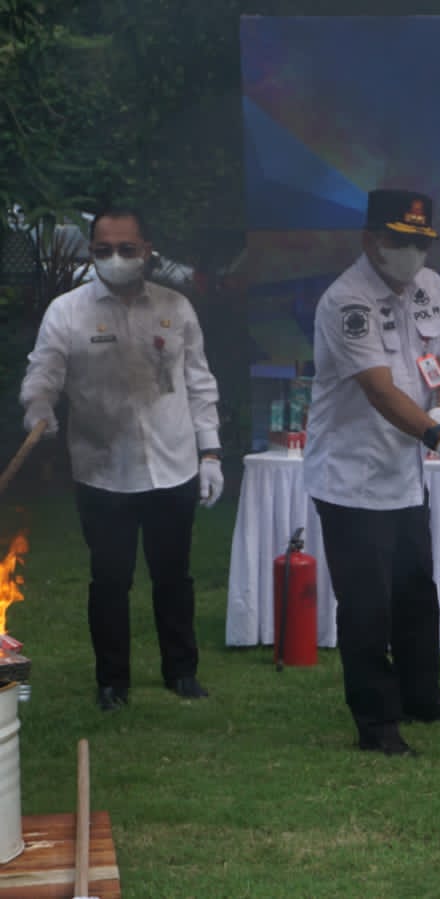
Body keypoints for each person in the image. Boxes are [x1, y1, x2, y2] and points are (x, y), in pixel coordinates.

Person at [20, 207, 225, 712]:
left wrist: (211, 452)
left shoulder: (176, 308)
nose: (115, 259)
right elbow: (43, 372)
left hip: (172, 464)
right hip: (102, 469)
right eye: (103, 250)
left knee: (173, 576)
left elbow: (199, 383)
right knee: (110, 580)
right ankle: (112, 681)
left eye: (126, 249)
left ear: (147, 250)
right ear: (91, 253)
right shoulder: (68, 311)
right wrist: (39, 407)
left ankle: (182, 672)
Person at [303, 188, 440, 756]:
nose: (411, 253)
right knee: (365, 606)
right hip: (352, 478)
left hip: (406, 475)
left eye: (420, 242)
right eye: (400, 242)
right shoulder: (346, 301)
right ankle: (376, 724)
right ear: (371, 240)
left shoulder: (428, 286)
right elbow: (379, 391)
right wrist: (438, 435)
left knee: (414, 593)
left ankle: (422, 697)